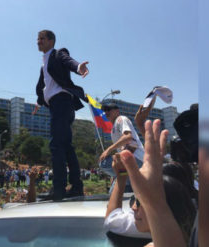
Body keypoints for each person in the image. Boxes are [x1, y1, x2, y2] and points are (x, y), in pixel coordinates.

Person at [32, 30, 89, 200]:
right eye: (38, 39)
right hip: (57, 105)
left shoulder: (58, 54)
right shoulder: (44, 65)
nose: (38, 41)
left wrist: (78, 67)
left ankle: (59, 189)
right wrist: (40, 102)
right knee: (65, 145)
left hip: (62, 103)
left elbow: (68, 61)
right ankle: (76, 186)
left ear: (51, 41)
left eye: (42, 39)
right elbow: (44, 87)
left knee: (56, 145)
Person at [105, 154, 196, 244]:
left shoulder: (148, 221)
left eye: (143, 200)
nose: (133, 208)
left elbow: (112, 220)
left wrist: (121, 176)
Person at [99, 103, 145, 192]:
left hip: (136, 157)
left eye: (109, 109)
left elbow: (128, 137)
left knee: (104, 162)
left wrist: (109, 149)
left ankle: (123, 175)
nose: (106, 112)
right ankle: (127, 181)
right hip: (132, 160)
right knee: (114, 191)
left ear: (117, 111)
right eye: (105, 111)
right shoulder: (113, 130)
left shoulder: (121, 119)